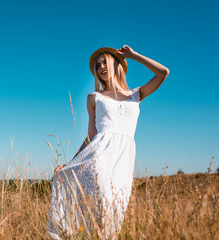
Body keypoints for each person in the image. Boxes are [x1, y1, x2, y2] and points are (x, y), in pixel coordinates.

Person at [46, 45, 169, 239]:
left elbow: (163, 73)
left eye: (105, 62)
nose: (101, 67)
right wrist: (69, 164)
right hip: (99, 156)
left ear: (115, 64)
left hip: (124, 159)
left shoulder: (136, 95)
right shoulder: (94, 97)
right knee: (101, 206)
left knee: (115, 214)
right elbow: (91, 136)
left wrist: (133, 55)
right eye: (98, 65)